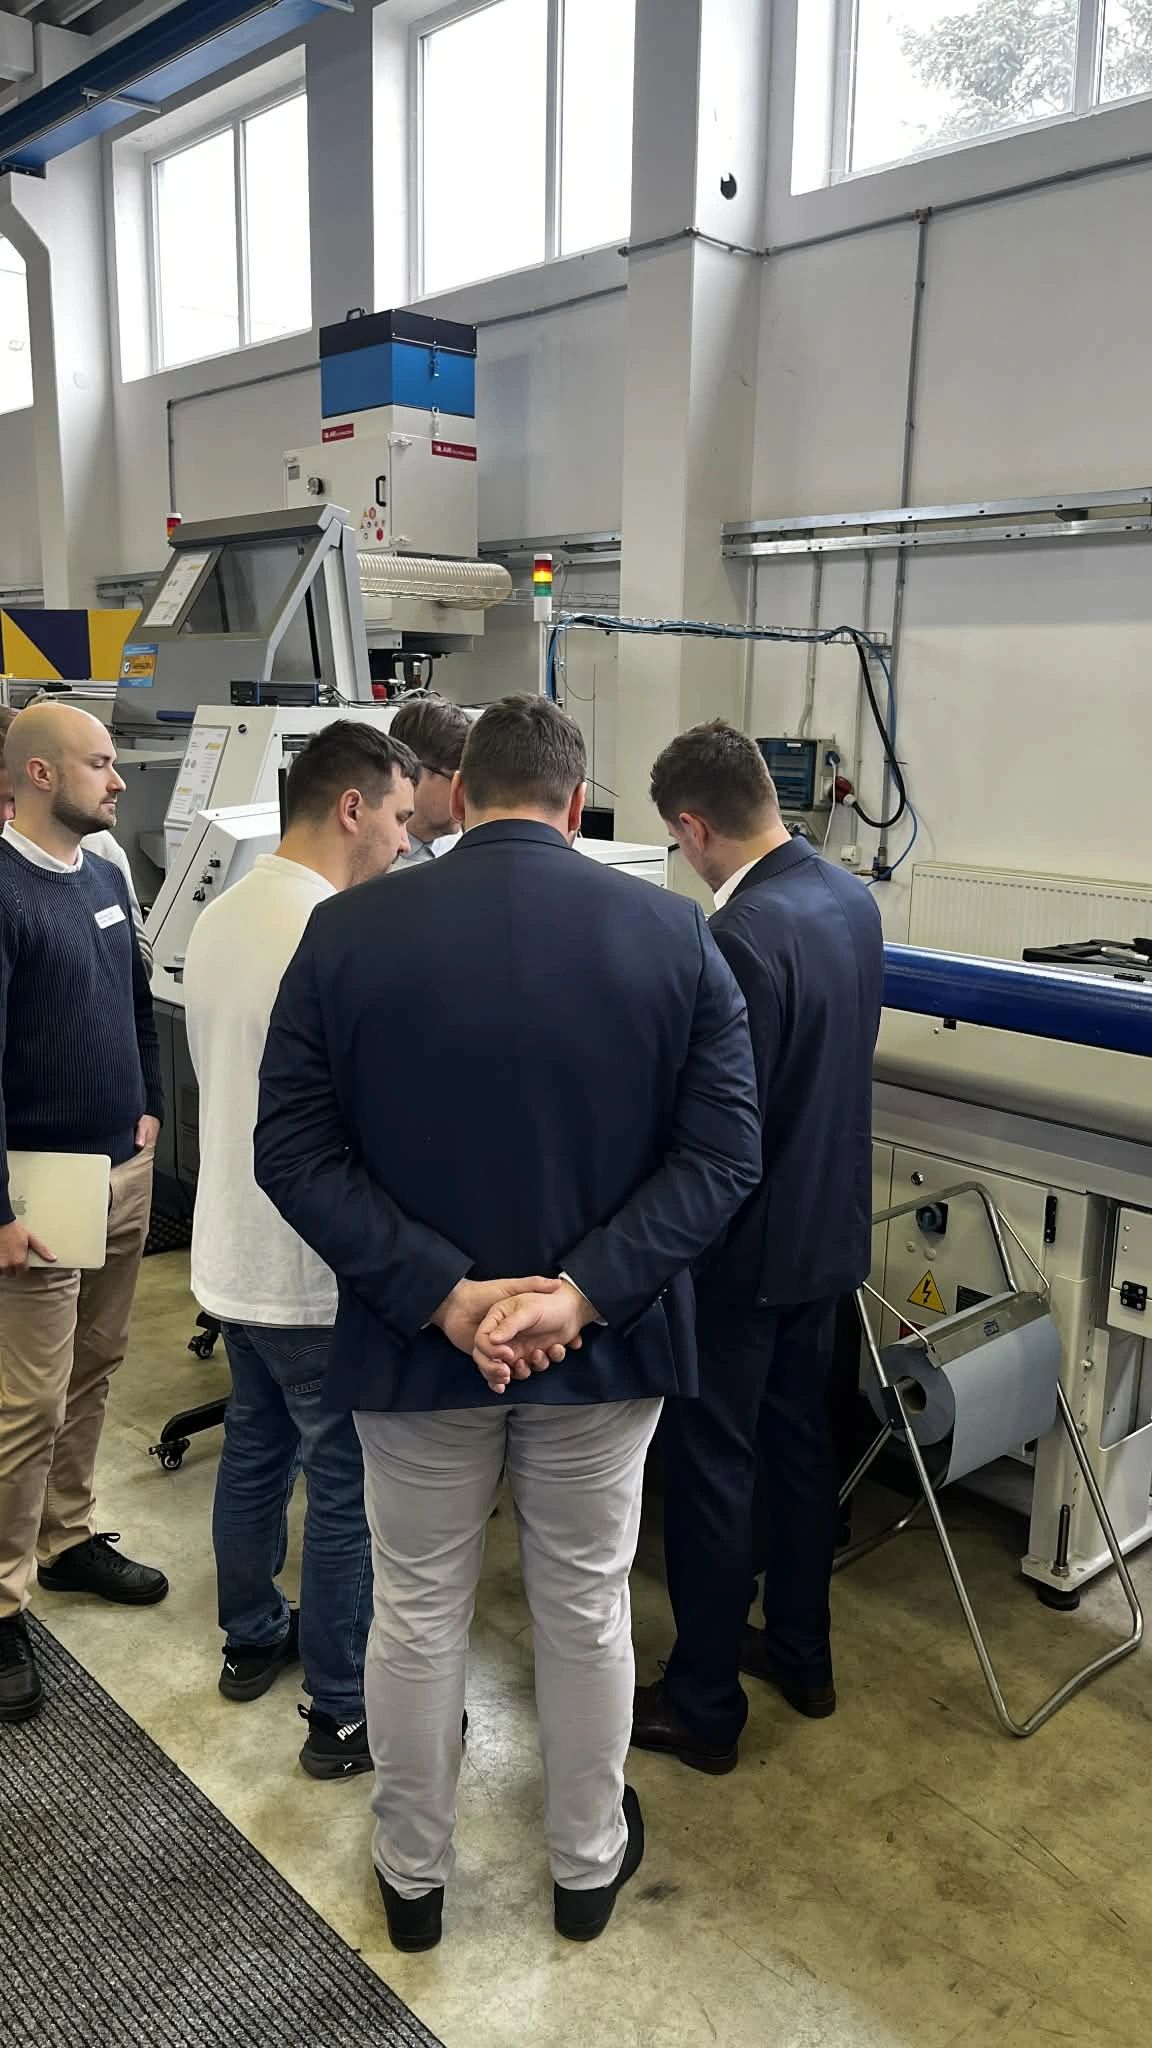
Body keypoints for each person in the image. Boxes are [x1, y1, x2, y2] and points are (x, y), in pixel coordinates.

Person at [254, 695, 762, 1952]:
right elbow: (722, 1156)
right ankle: (584, 1865)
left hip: (415, 1346)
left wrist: (444, 1292)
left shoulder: (347, 930)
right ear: (576, 801)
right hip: (606, 1349)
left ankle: (413, 1876)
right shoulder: (674, 933)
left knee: (418, 1610)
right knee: (585, 1607)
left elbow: (293, 1149)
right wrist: (578, 1293)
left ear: (459, 793)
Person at [632, 722, 883, 1774]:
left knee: (712, 1470)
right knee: (798, 1449)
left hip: (744, 1256)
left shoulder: (737, 936)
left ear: (694, 827)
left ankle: (702, 1704)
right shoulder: (850, 900)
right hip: (828, 1234)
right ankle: (801, 1653)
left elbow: (719, 1130)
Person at [182, 722, 418, 1780]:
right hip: (309, 1271)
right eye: (401, 817)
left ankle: (248, 1637)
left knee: (255, 1445)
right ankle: (342, 1710)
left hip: (229, 1251)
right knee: (343, 1488)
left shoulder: (224, 911)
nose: (407, 842)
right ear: (352, 806)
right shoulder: (335, 934)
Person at [0, 703, 166, 1726]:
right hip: (40, 1182)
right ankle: (0, 1598)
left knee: (98, 1363)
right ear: (39, 775)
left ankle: (66, 1536)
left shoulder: (103, 875)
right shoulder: (3, 890)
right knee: (28, 1400)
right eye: (101, 764)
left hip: (121, 1165)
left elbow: (134, 1000)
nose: (118, 781)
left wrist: (149, 1103)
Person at [0, 704, 151, 967]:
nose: (6, 816)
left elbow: (135, 965)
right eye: (97, 765)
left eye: (15, 800)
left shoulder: (100, 859)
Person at [387, 695, 471, 867]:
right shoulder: (366, 864)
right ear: (410, 771)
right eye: (456, 780)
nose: (467, 795)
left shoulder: (467, 849)